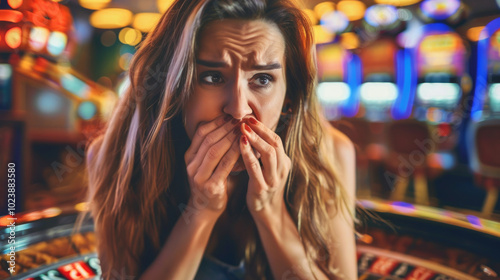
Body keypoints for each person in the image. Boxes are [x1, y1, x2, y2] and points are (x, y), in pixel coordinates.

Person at [84, 0, 357, 279]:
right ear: (175, 89)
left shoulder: (332, 152)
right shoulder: (115, 155)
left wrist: (270, 211)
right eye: (213, 77)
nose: (239, 109)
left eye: (262, 79)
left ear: (289, 96)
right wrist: (200, 210)